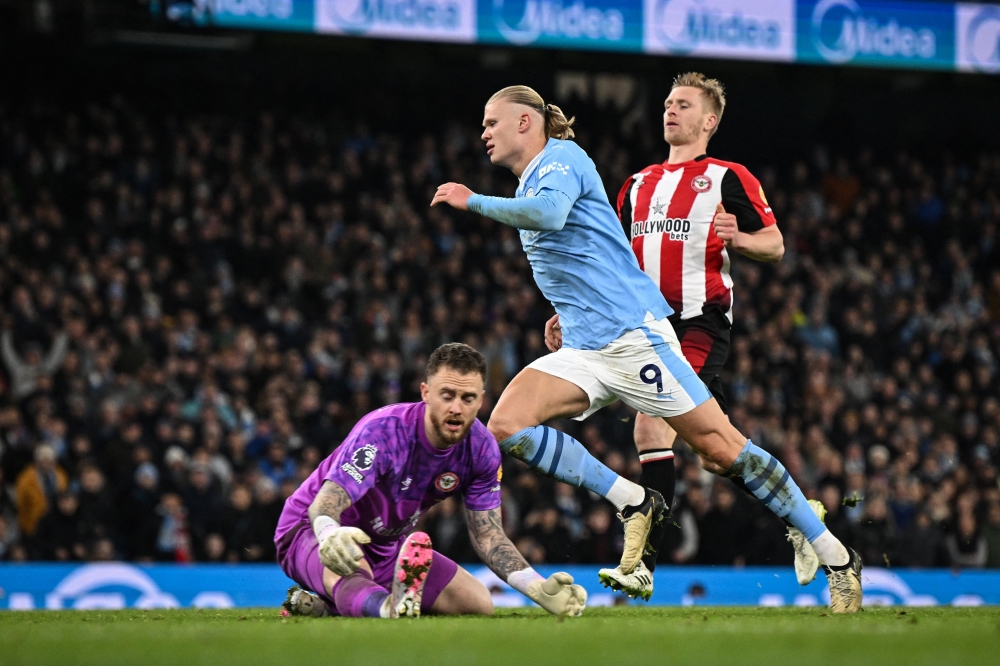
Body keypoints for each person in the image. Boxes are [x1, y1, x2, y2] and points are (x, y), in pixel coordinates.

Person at [431, 86, 862, 613]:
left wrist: (469, 199)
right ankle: (633, 501)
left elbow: (546, 216)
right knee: (506, 424)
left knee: (721, 449)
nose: (484, 132)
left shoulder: (563, 158)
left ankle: (835, 555)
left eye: (491, 121)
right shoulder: (541, 178)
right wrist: (565, 313)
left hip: (636, 338)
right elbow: (598, 246)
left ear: (526, 122)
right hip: (586, 345)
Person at [573, 71, 820, 598]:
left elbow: (774, 244)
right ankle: (800, 513)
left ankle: (642, 565)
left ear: (709, 121)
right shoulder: (637, 185)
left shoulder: (729, 177)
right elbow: (615, 261)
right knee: (714, 452)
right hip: (645, 325)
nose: (671, 110)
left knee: (650, 428)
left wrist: (741, 238)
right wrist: (571, 308)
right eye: (667, 102)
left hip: (698, 322)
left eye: (683, 104)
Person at [276, 343, 586, 619]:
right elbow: (326, 502)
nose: (456, 408)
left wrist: (537, 588)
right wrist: (329, 531)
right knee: (354, 571)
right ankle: (385, 608)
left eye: (467, 398)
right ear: (426, 393)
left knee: (477, 604)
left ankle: (326, 607)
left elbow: (488, 535)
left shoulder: (481, 450)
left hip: (387, 546)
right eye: (447, 395)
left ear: (481, 401)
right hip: (312, 532)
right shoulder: (384, 432)